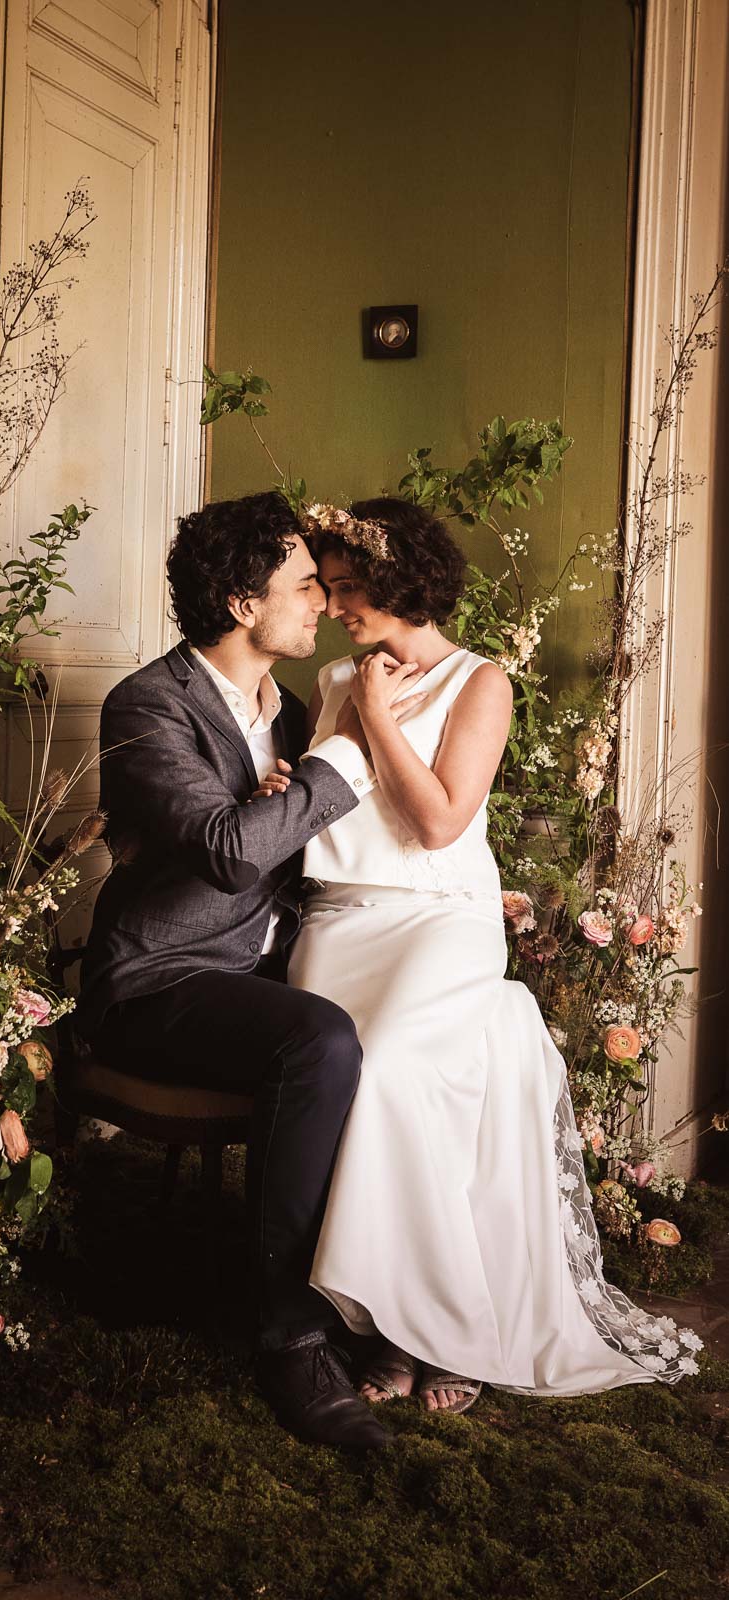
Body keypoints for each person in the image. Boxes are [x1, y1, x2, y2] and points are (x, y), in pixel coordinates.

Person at [284, 495, 701, 1413]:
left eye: (350, 588)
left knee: (389, 1067)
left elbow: (437, 823)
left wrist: (377, 716)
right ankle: (390, 1331)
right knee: (337, 1086)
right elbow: (332, 800)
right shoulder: (331, 682)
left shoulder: (481, 682)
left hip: (437, 919)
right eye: (329, 587)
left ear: (400, 584)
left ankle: (450, 1334)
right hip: (341, 920)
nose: (336, 606)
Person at [76, 490, 424, 1452]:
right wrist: (339, 759)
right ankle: (291, 1339)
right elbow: (233, 852)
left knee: (411, 1026)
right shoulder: (147, 704)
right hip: (158, 982)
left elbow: (303, 846)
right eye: (305, 585)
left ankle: (393, 1311)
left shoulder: (293, 709)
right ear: (240, 603)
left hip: (269, 967)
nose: (323, 602)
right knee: (316, 1040)